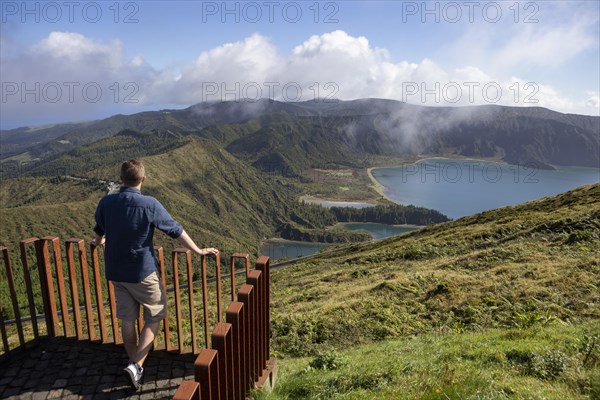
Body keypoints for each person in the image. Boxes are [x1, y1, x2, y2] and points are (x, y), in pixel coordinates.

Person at [92, 159, 218, 390]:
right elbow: (176, 230)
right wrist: (199, 250)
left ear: (121, 179)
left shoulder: (106, 202)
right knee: (155, 316)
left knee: (128, 321)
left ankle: (134, 367)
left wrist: (98, 242)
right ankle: (136, 365)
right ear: (143, 179)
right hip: (142, 271)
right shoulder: (149, 204)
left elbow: (100, 231)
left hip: (116, 272)